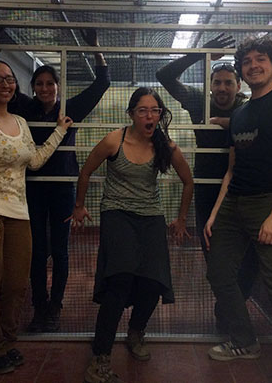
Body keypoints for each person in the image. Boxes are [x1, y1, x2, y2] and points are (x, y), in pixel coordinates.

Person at [204, 36, 272, 383]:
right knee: (218, 273)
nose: (253, 65)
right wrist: (215, 213)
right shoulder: (239, 114)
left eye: (260, 59)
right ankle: (244, 340)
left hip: (270, 203)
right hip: (233, 205)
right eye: (247, 61)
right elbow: (232, 170)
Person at [67, 87, 193, 383]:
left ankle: (136, 332)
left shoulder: (165, 145)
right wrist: (79, 206)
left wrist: (181, 219)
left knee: (153, 281)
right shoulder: (115, 139)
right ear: (132, 114)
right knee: (119, 281)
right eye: (143, 110)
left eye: (155, 111)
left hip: (151, 217)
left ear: (160, 115)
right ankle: (100, 357)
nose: (150, 116)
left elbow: (188, 181)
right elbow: (85, 172)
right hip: (117, 214)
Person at [0, 59, 73, 374]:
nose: (6, 84)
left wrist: (59, 132)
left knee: (17, 283)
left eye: (9, 79)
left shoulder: (20, 121)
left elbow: (33, 161)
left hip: (19, 213)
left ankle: (7, 341)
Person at [156, 33, 259, 332]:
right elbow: (164, 75)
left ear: (239, 86)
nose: (223, 88)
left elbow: (267, 125)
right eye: (218, 82)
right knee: (212, 251)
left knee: (250, 256)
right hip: (206, 186)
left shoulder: (249, 107)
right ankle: (228, 310)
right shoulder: (198, 100)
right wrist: (200, 55)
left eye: (229, 83)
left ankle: (228, 307)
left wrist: (230, 123)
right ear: (210, 85)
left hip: (243, 186)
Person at [19, 29, 110, 333]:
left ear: (58, 86)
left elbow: (102, 83)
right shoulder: (26, 109)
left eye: (50, 83)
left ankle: (55, 307)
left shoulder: (70, 109)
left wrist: (95, 46)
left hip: (62, 187)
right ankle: (39, 307)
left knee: (59, 250)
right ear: (33, 88)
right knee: (36, 250)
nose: (45, 88)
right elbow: (2, 89)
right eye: (40, 84)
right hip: (33, 187)